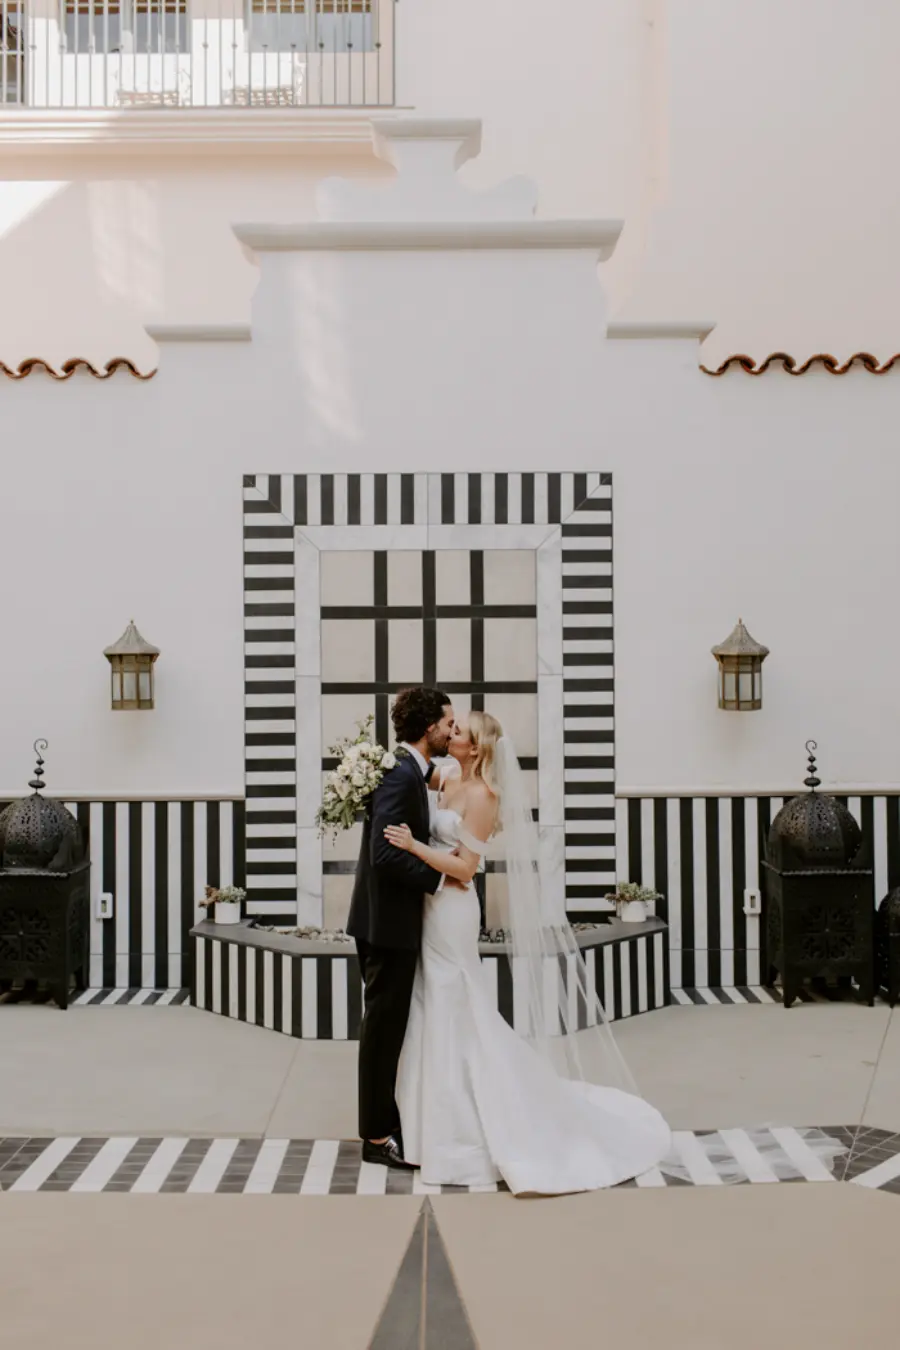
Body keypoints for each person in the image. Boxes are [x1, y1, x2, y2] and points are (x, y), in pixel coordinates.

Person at [383, 710, 673, 1195]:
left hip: (452, 909)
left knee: (457, 1005)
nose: (450, 733)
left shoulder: (484, 796)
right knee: (429, 1003)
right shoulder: (449, 775)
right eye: (450, 727)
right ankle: (424, 1126)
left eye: (459, 732)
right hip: (427, 910)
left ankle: (466, 1132)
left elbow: (465, 868)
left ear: (475, 748)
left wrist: (413, 847)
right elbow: (409, 769)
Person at [347, 686, 456, 1170]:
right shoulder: (398, 775)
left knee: (388, 1028)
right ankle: (375, 1137)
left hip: (384, 920)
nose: (452, 731)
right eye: (448, 724)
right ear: (428, 726)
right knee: (382, 1032)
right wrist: (439, 875)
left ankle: (385, 1121)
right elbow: (385, 855)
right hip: (387, 924)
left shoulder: (410, 768)